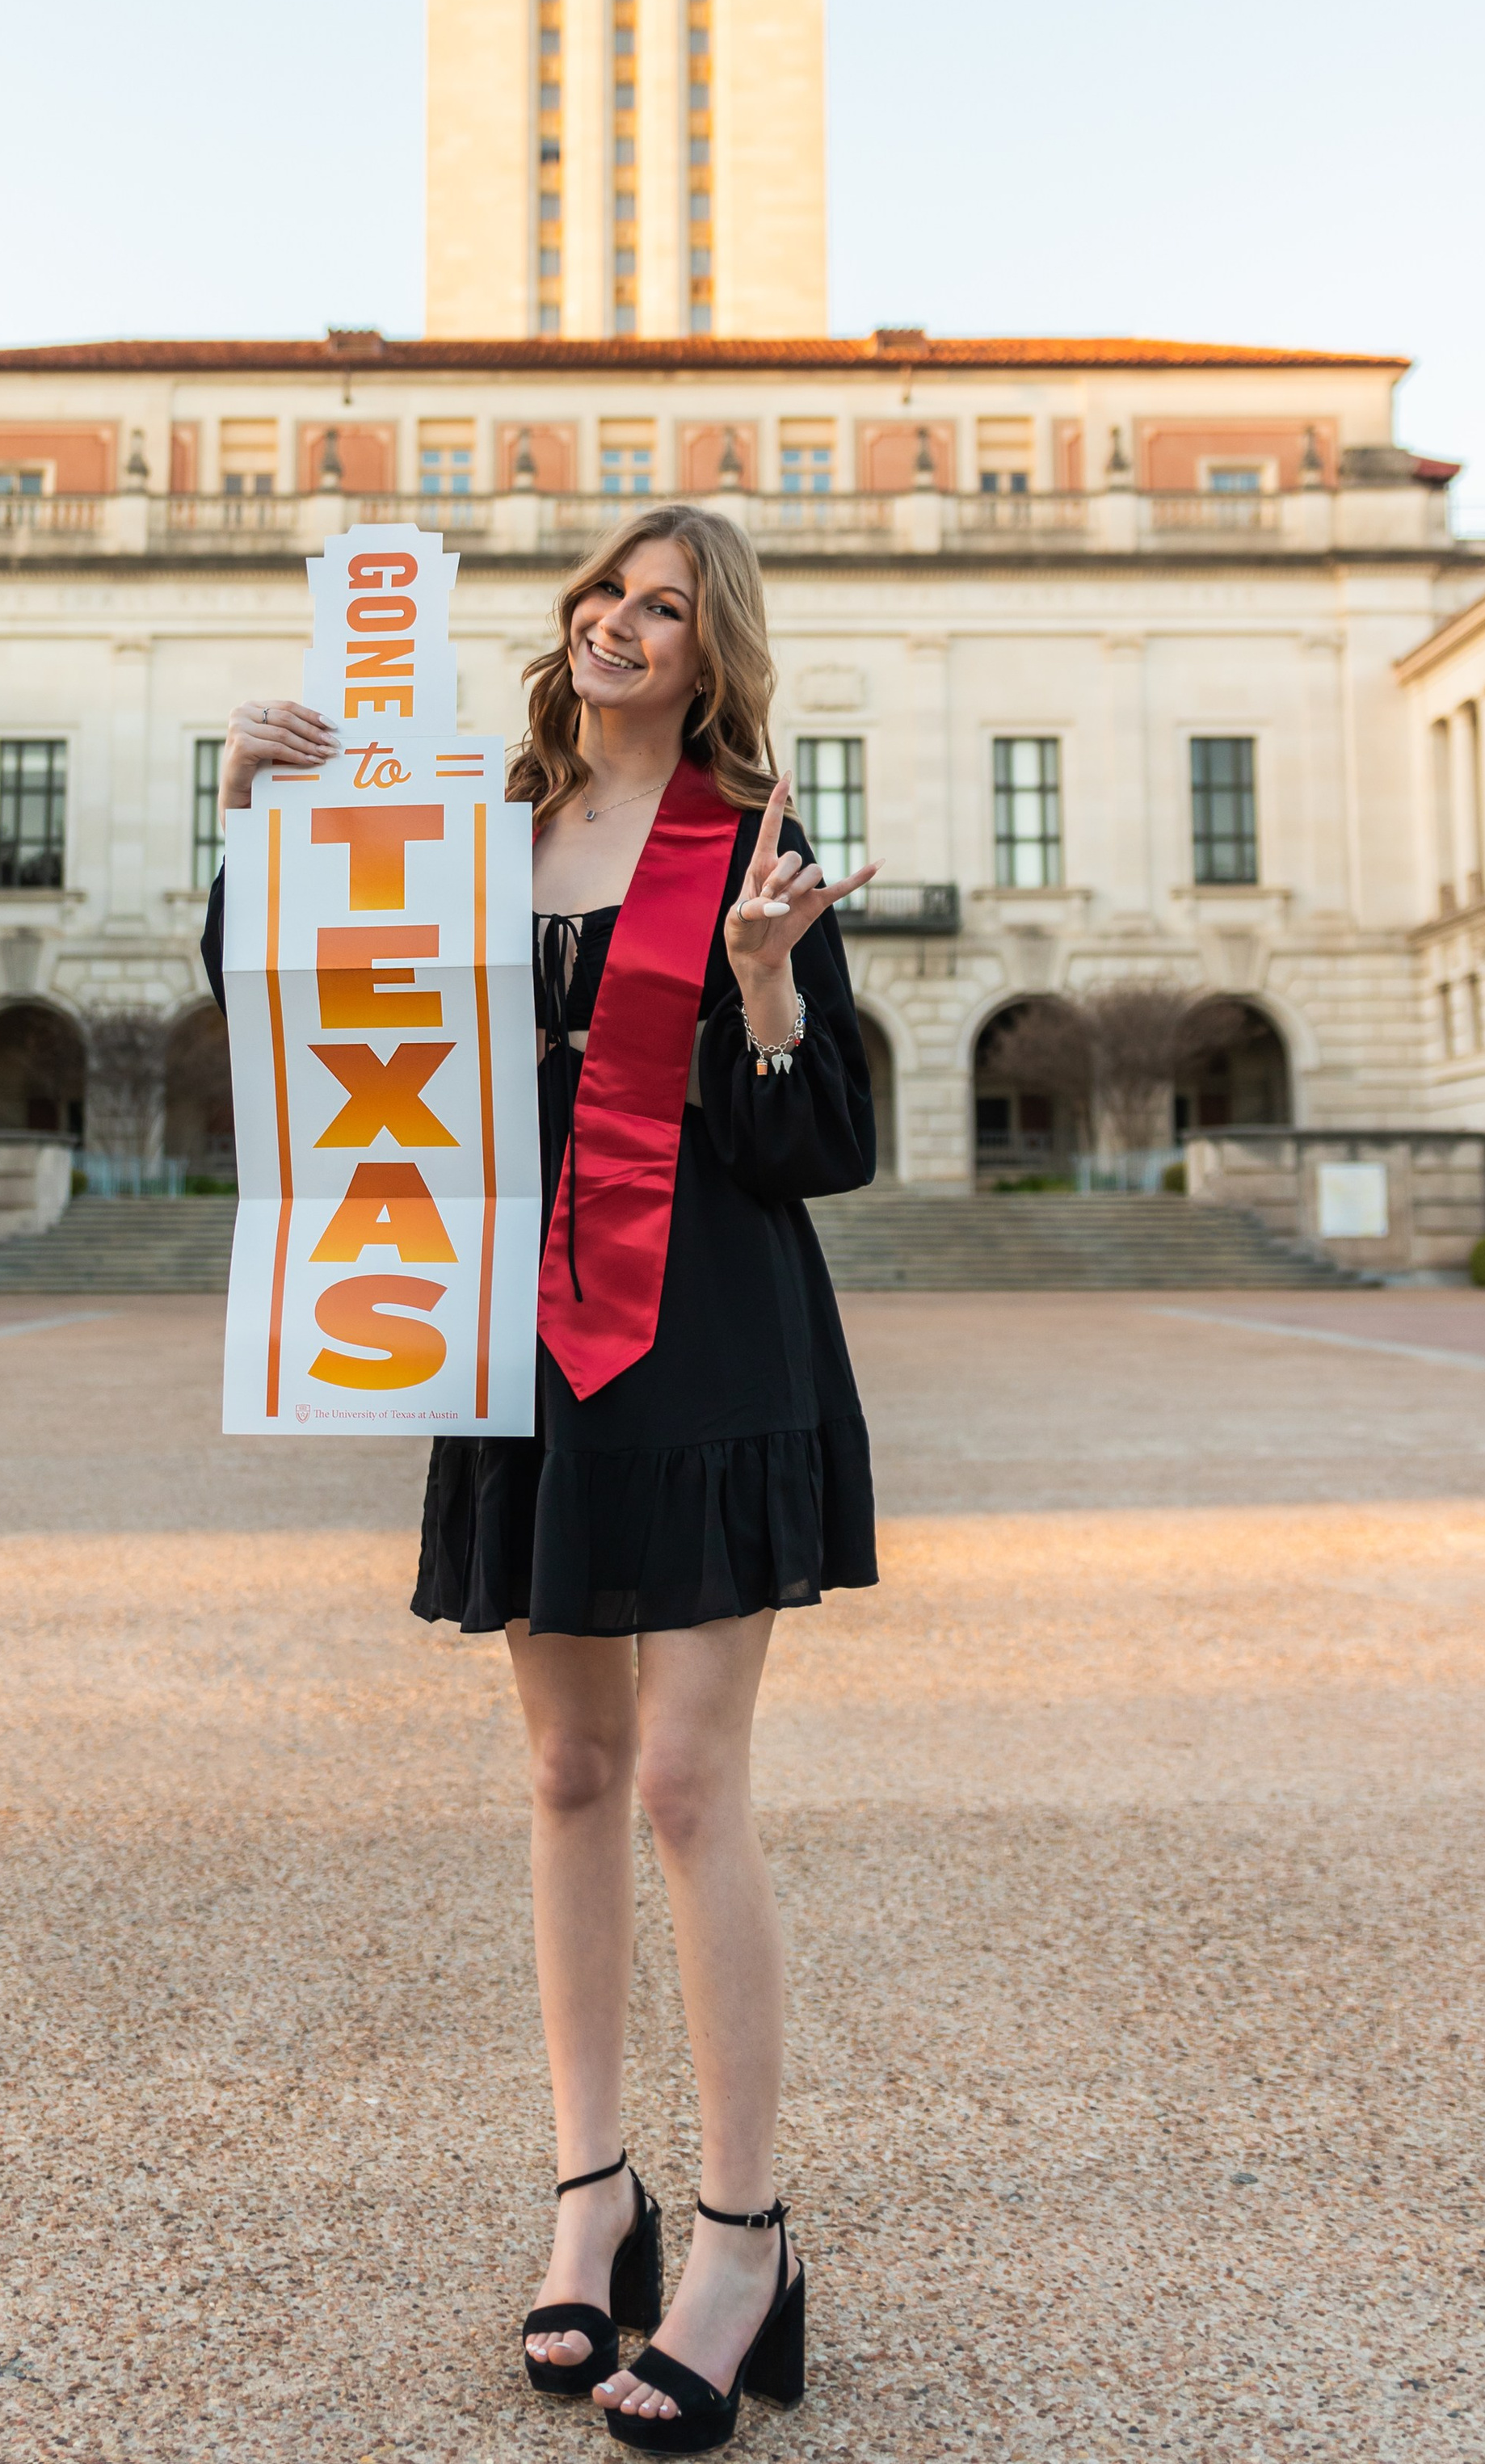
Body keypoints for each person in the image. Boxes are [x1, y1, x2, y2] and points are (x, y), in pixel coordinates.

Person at [204, 503, 880, 2451]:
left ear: (708, 649)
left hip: (709, 1329)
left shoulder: (747, 838)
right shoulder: (465, 821)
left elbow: (820, 1147)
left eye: (663, 607)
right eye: (605, 590)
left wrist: (764, 989)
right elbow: (301, 1015)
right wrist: (256, 819)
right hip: (518, 1335)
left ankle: (740, 2241)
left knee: (682, 1782)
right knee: (568, 1773)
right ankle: (593, 2197)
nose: (618, 622)